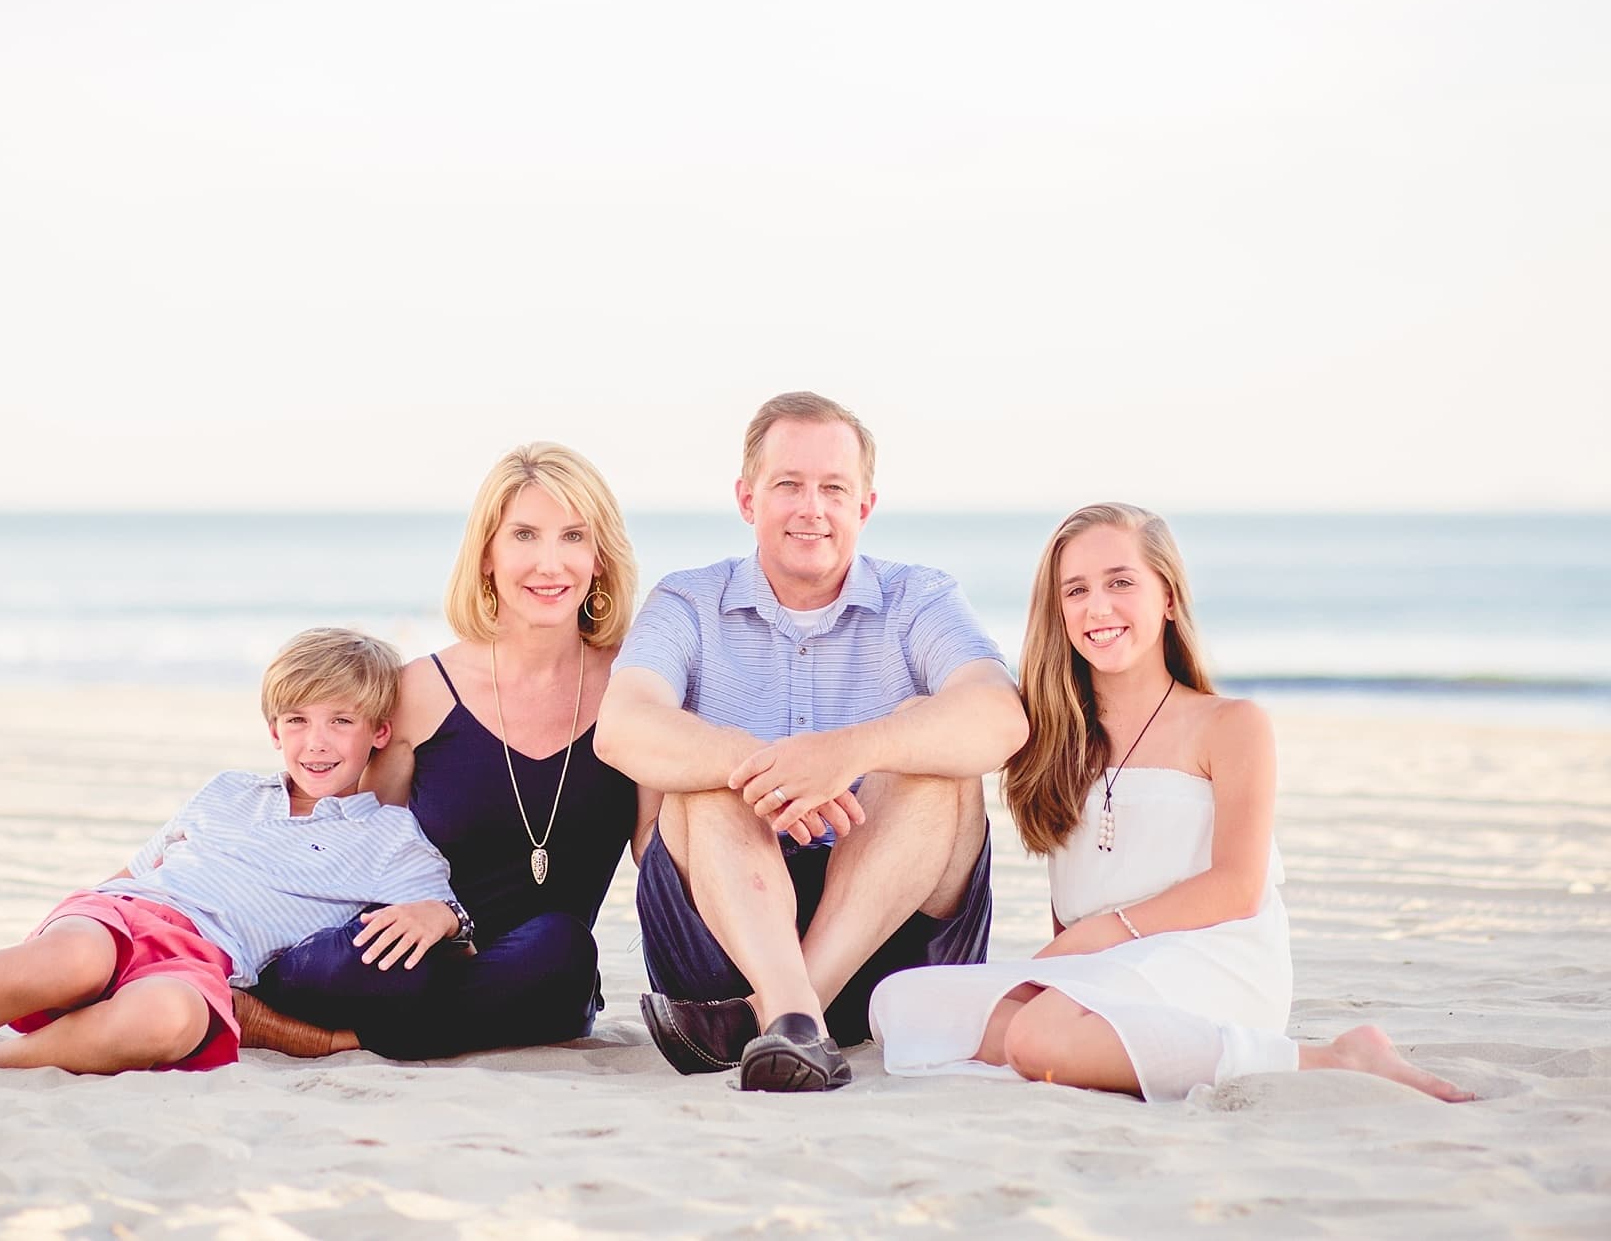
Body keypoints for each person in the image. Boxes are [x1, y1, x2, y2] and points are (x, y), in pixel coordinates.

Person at [868, 503, 1472, 1101]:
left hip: (1212, 953)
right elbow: (1074, 899)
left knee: (1038, 1037)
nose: (1097, 607)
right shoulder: (1052, 738)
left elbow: (1237, 886)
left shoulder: (1230, 725)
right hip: (1105, 964)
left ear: (1169, 598)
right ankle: (1109, 1045)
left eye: (1121, 582)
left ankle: (1331, 1058)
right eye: (1075, 590)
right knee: (901, 1005)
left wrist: (1100, 938)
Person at [0, 628, 467, 1078]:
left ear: (377, 733)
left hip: (205, 958)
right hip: (132, 913)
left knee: (169, 1022)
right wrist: (71, 917)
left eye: (341, 721)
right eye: (298, 719)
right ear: (274, 729)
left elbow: (451, 914)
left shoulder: (387, 837)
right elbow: (139, 871)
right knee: (75, 959)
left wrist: (438, 914)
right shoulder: (230, 791)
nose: (317, 740)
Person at [594, 392, 1029, 1092]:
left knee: (931, 746)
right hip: (719, 944)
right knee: (702, 769)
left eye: (833, 487)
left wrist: (849, 751)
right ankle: (794, 1009)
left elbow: (1000, 717)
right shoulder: (687, 602)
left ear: (865, 504)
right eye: (788, 484)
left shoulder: (919, 596)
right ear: (746, 498)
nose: (811, 507)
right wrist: (762, 768)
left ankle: (785, 1015)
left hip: (891, 943)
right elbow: (621, 725)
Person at [234, 443, 653, 1059]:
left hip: (538, 967)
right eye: (524, 535)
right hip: (405, 954)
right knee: (374, 966)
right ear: (487, 554)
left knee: (565, 955)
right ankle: (376, 1022)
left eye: (572, 536)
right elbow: (350, 843)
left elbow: (658, 851)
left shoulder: (637, 688)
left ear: (599, 556)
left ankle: (334, 1039)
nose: (549, 562)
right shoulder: (422, 691)